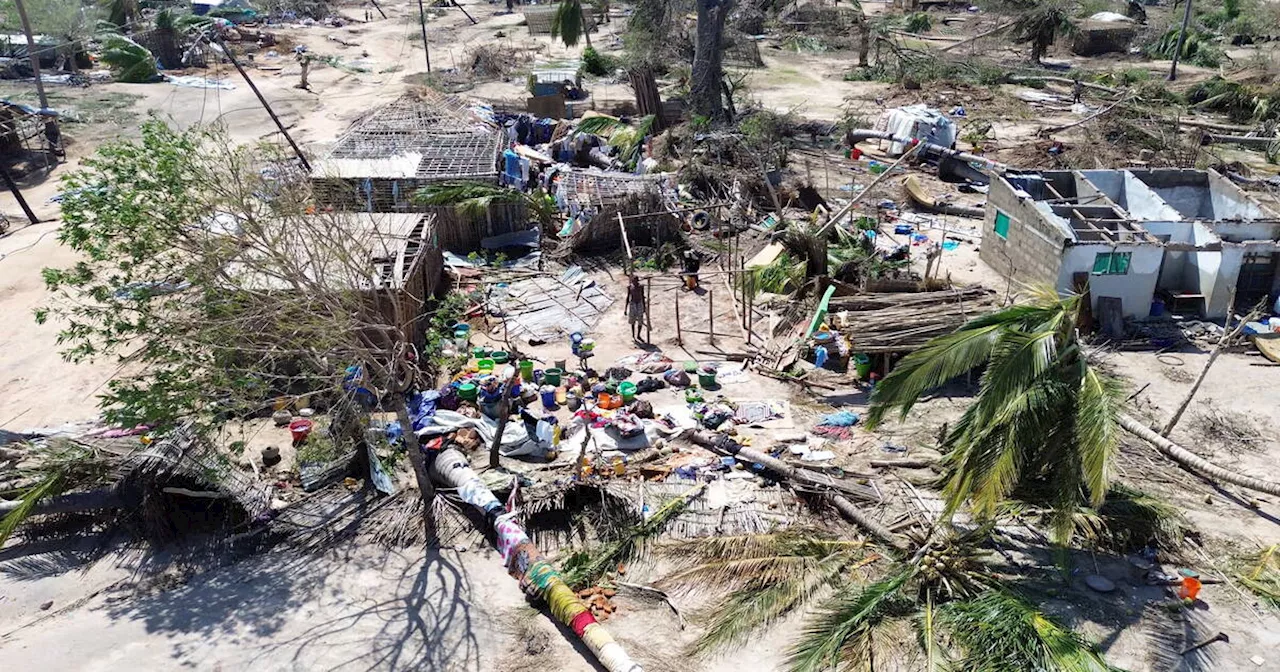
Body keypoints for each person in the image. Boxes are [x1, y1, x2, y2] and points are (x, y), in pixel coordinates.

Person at [625, 274, 646, 342]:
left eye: (636, 281)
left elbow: (642, 296)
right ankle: (633, 335)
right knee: (632, 320)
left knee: (640, 320)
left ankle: (638, 335)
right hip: (633, 304)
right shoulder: (630, 287)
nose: (635, 282)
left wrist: (644, 307)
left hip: (639, 303)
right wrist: (625, 308)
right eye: (634, 281)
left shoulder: (640, 287)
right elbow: (628, 297)